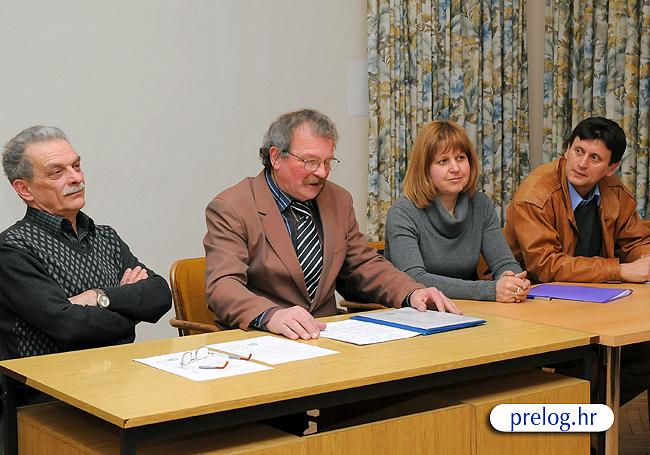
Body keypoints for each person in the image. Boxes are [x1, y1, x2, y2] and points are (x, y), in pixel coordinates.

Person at [203, 109, 460, 341]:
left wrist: (411, 292)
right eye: (310, 162)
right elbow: (223, 285)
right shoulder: (232, 207)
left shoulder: (338, 199)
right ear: (276, 157)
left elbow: (362, 265)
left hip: (327, 336)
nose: (322, 172)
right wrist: (271, 315)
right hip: (263, 338)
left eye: (327, 162)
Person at [505, 116, 650, 405]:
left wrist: (645, 261)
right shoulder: (535, 195)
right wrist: (620, 270)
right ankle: (577, 421)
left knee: (643, 351)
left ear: (611, 168)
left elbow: (635, 242)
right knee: (588, 363)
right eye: (578, 151)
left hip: (591, 302)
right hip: (531, 302)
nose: (581, 164)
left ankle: (587, 420)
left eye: (594, 158)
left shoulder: (615, 191)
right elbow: (545, 266)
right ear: (567, 150)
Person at [0, 126, 171, 363]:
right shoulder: (12, 249)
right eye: (57, 172)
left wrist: (97, 297)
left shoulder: (105, 237)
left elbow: (160, 294)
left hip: (120, 372)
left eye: (77, 166)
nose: (76, 178)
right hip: (52, 382)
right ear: (24, 189)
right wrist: (132, 313)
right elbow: (68, 326)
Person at [384, 120, 529, 302]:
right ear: (424, 169)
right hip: (418, 310)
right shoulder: (402, 212)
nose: (455, 168)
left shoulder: (481, 204)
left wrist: (514, 281)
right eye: (443, 161)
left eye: (460, 158)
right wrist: (490, 290)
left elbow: (504, 263)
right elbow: (414, 279)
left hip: (469, 307)